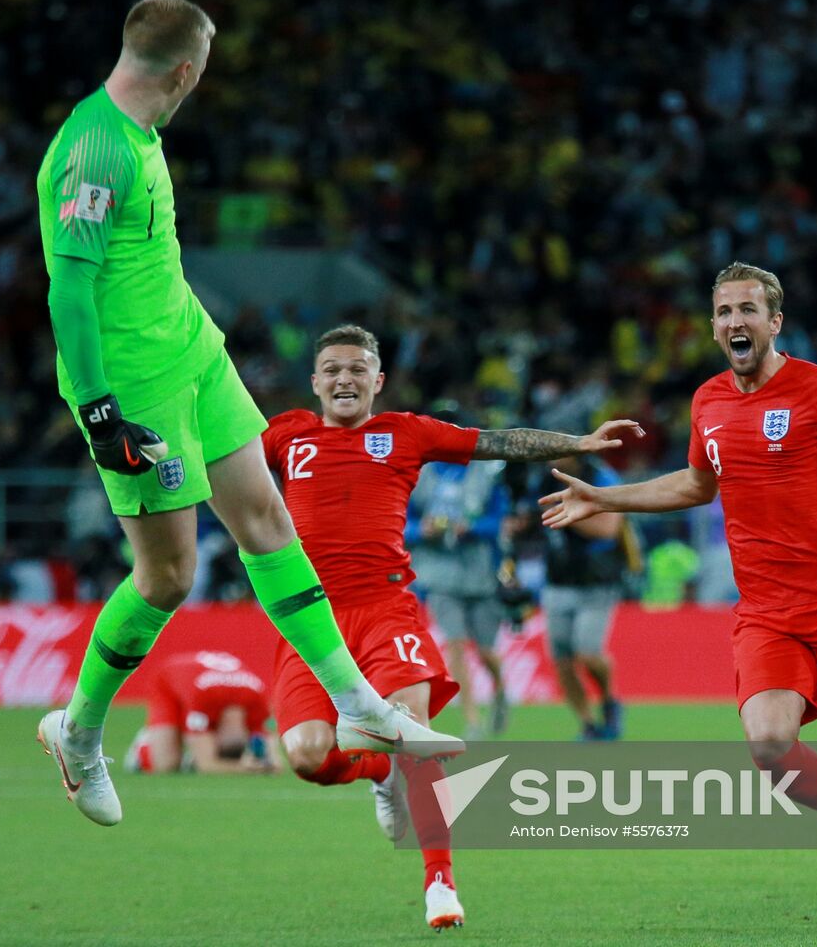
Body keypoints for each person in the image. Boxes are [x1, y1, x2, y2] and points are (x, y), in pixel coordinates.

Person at [32, 0, 460, 828]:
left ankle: (359, 701)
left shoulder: (138, 134)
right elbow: (70, 291)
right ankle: (78, 733)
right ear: (187, 71)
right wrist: (99, 414)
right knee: (168, 577)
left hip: (195, 353)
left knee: (268, 520)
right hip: (136, 389)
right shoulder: (93, 151)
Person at [541, 263, 817, 933]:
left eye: (748, 310)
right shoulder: (708, 402)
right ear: (714, 325)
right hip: (767, 610)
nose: (734, 323)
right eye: (723, 312)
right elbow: (694, 486)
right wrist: (605, 497)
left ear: (775, 322)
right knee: (769, 744)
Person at [263, 324, 642, 931]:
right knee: (309, 756)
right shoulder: (286, 437)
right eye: (332, 369)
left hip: (385, 609)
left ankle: (440, 882)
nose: (344, 378)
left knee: (413, 728)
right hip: (308, 618)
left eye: (358, 368)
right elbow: (222, 466)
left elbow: (499, 443)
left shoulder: (405, 433)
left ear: (377, 380)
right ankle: (380, 769)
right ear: (314, 381)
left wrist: (580, 441)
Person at [409, 452, 510, 740]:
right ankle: (472, 721)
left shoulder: (487, 473)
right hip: (439, 575)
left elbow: (499, 522)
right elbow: (402, 523)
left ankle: (500, 690)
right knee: (455, 646)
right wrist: (421, 530)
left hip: (482, 577)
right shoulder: (420, 474)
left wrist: (473, 527)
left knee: (486, 651)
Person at [538, 453, 633, 740]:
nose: (550, 457)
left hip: (596, 580)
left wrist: (564, 515)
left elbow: (608, 529)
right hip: (557, 580)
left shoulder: (602, 478)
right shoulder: (542, 480)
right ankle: (588, 724)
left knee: (588, 653)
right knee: (562, 661)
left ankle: (609, 700)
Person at [124, 650, 278, 775]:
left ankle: (190, 751)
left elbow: (276, 763)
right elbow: (207, 765)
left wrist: (267, 765)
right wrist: (246, 768)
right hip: (168, 682)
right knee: (167, 765)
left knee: (182, 760)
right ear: (214, 731)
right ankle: (143, 748)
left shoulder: (258, 702)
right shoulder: (203, 699)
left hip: (199, 686)